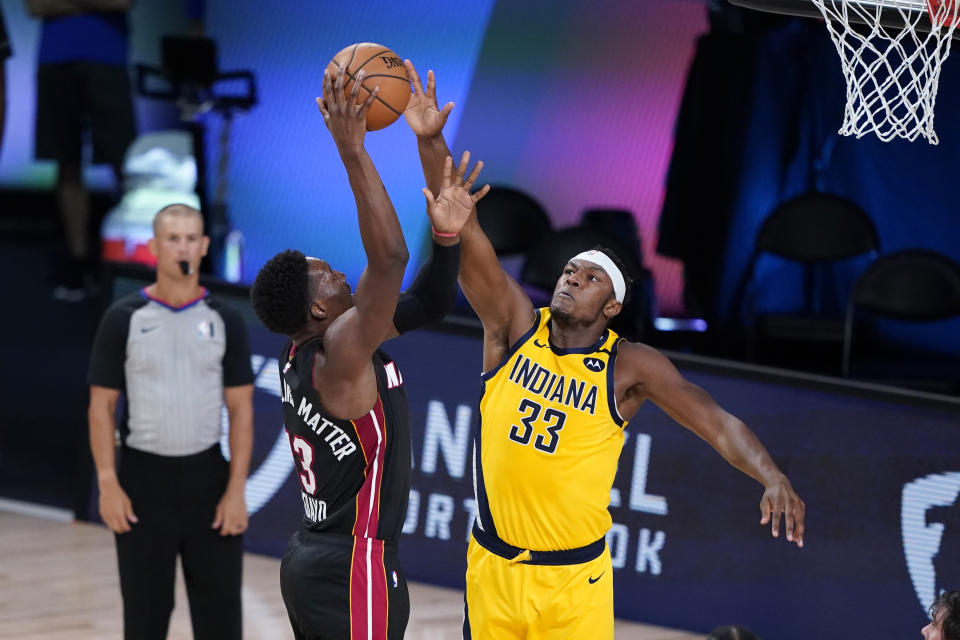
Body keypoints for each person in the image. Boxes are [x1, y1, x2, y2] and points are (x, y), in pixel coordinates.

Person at [402, 59, 806, 639]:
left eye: (589, 277)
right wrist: (430, 140)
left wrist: (771, 475)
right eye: (569, 270)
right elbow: (461, 227)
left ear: (612, 306)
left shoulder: (629, 365)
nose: (571, 278)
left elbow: (716, 423)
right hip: (491, 567)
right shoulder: (515, 326)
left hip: (573, 584)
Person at [249, 65, 488, 640]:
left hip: (317, 556)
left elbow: (430, 301)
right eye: (327, 276)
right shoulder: (342, 351)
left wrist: (449, 236)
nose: (337, 273)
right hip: (351, 563)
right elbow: (388, 261)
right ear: (317, 311)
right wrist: (352, 149)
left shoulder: (317, 349)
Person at [87, 203, 254, 640]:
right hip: (144, 483)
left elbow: (240, 411)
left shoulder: (226, 321)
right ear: (154, 246)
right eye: (172, 238)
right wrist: (108, 482)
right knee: (144, 619)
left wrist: (236, 490)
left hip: (208, 481)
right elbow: (101, 407)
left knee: (220, 621)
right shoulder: (122, 319)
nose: (182, 246)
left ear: (203, 247)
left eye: (190, 238)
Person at [26, 0, 137, 301]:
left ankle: (133, 259)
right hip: (56, 58)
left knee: (124, 161)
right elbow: (35, 6)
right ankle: (78, 262)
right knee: (66, 160)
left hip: (107, 57)